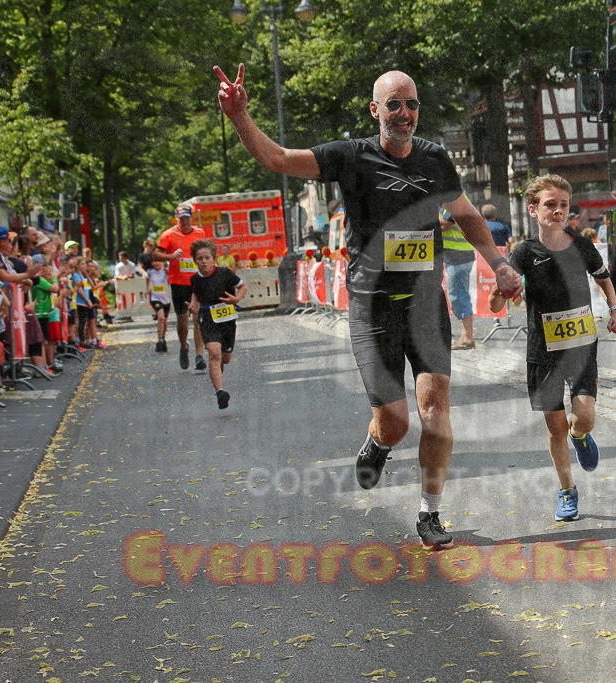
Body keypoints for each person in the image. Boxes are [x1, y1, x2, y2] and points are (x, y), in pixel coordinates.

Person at [215, 64, 523, 548]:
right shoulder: (349, 157)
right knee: (396, 421)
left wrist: (500, 264)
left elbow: (464, 215)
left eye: (412, 104)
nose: (404, 114)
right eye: (394, 104)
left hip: (425, 304)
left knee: (436, 412)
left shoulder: (436, 159)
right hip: (371, 306)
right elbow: (276, 158)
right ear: (375, 110)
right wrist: (239, 117)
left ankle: (430, 512)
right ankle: (379, 441)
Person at [490, 174, 616, 522]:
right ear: (533, 209)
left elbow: (603, 278)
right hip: (542, 350)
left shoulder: (581, 245)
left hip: (580, 345)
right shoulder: (524, 252)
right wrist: (498, 291)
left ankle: (580, 437)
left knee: (584, 418)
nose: (559, 210)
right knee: (554, 429)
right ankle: (568, 491)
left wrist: (614, 310)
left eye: (564, 205)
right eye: (551, 204)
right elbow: (494, 304)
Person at [188, 238, 247, 410]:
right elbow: (195, 295)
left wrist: (236, 298)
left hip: (227, 320)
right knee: (214, 353)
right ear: (195, 261)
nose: (204, 261)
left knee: (225, 358)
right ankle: (220, 392)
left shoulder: (225, 273)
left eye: (207, 257)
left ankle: (220, 363)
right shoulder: (194, 279)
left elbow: (243, 287)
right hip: (208, 317)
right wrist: (193, 306)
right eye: (200, 258)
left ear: (214, 258)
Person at [154, 204, 207, 371]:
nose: (184, 221)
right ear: (176, 218)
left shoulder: (199, 233)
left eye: (187, 217)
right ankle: (184, 346)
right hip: (178, 283)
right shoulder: (168, 235)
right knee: (182, 322)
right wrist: (170, 256)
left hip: (197, 281)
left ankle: (199, 356)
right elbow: (155, 255)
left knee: (198, 318)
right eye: (181, 218)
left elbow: (207, 252)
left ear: (191, 218)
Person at [439, 208, 476, 350]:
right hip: (456, 256)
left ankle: (467, 338)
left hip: (458, 257)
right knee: (458, 296)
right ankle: (465, 336)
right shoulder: (447, 203)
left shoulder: (452, 202)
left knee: (459, 296)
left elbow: (444, 225)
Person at [146, 256, 171, 352]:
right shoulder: (150, 272)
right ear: (152, 262)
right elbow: (147, 279)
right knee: (160, 317)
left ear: (163, 262)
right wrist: (147, 289)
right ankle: (160, 340)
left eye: (159, 261)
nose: (157, 263)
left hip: (166, 299)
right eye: (155, 261)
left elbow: (172, 280)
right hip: (155, 298)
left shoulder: (166, 272)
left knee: (164, 320)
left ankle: (162, 339)